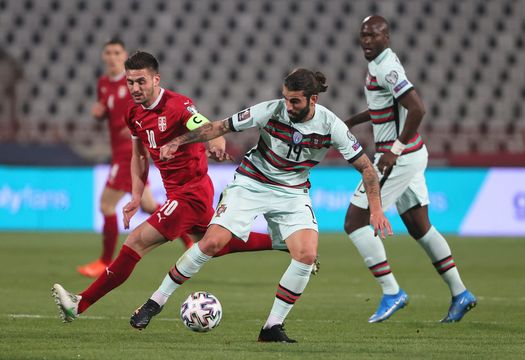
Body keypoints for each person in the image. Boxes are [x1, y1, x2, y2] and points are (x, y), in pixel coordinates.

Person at [129, 68, 392, 343]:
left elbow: (367, 169)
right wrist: (178, 140)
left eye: (295, 101)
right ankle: (155, 302)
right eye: (285, 99)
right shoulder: (270, 110)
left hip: (292, 192)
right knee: (211, 243)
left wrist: (375, 208)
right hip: (251, 182)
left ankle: (272, 327)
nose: (287, 106)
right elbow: (219, 126)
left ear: (313, 99)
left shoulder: (332, 126)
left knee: (306, 255)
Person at [51, 51, 277, 323]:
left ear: (156, 79)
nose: (135, 88)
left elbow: (209, 130)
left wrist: (214, 146)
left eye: (141, 81)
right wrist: (136, 195)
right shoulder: (133, 113)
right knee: (214, 244)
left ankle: (80, 303)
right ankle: (285, 241)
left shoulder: (178, 106)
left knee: (135, 242)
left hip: (191, 193)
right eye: (130, 82)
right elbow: (139, 156)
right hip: (177, 192)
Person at [343, 15, 477, 323]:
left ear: (386, 38)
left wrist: (394, 150)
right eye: (363, 35)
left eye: (373, 36)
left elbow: (417, 108)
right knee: (420, 227)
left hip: (399, 158)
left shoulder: (387, 67)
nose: (366, 40)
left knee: (354, 220)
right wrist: (351, 121)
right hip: (412, 155)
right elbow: (385, 107)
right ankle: (461, 293)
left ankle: (392, 291)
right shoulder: (380, 64)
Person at [77, 38, 167, 278]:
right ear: (103, 56)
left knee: (106, 205)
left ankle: (104, 261)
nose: (112, 56)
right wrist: (100, 113)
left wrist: (136, 130)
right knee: (149, 206)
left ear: (124, 55)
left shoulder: (135, 86)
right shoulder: (104, 83)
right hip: (117, 150)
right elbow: (107, 110)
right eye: (108, 52)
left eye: (117, 52)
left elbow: (147, 109)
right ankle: (187, 234)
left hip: (129, 152)